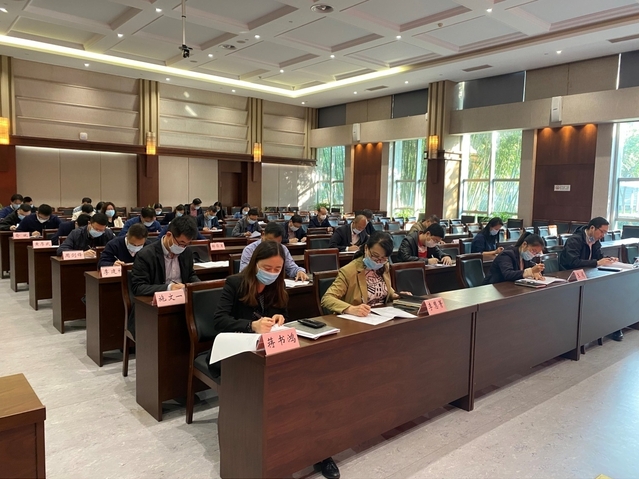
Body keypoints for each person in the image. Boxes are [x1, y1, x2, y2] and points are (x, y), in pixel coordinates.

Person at [212, 240, 338, 478]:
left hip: (270, 349)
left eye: (277, 269)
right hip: (239, 355)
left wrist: (280, 317)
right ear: (254, 264)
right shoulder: (235, 283)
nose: (272, 273)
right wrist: (251, 325)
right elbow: (219, 321)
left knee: (307, 386)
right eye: (267, 268)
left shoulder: (278, 284)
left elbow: (283, 313)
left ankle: (316, 450)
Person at [130, 216, 200, 337]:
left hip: (182, 304)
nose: (183, 248)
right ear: (169, 235)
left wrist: (198, 286)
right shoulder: (146, 255)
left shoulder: (186, 252)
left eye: (187, 244)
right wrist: (169, 288)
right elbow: (138, 287)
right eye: (181, 243)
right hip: (153, 307)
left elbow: (190, 275)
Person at [559, 217, 623, 341]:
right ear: (592, 228)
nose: (603, 235)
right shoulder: (574, 240)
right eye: (602, 232)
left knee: (613, 290)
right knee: (602, 295)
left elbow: (598, 257)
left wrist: (608, 259)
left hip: (588, 275)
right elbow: (573, 262)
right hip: (571, 278)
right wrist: (597, 263)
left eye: (605, 233)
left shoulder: (595, 240)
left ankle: (614, 326)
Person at [322, 231, 401, 316]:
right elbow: (327, 299)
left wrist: (394, 295)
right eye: (375, 256)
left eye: (383, 258)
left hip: (383, 315)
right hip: (360, 318)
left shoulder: (384, 266)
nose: (378, 262)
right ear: (366, 248)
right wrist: (351, 309)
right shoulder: (349, 271)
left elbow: (382, 286)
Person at [239, 222, 308, 281]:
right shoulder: (250, 250)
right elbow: (244, 272)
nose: (273, 246)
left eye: (277, 243)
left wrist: (299, 271)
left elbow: (291, 267)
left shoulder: (282, 249)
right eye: (270, 241)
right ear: (263, 234)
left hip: (276, 285)